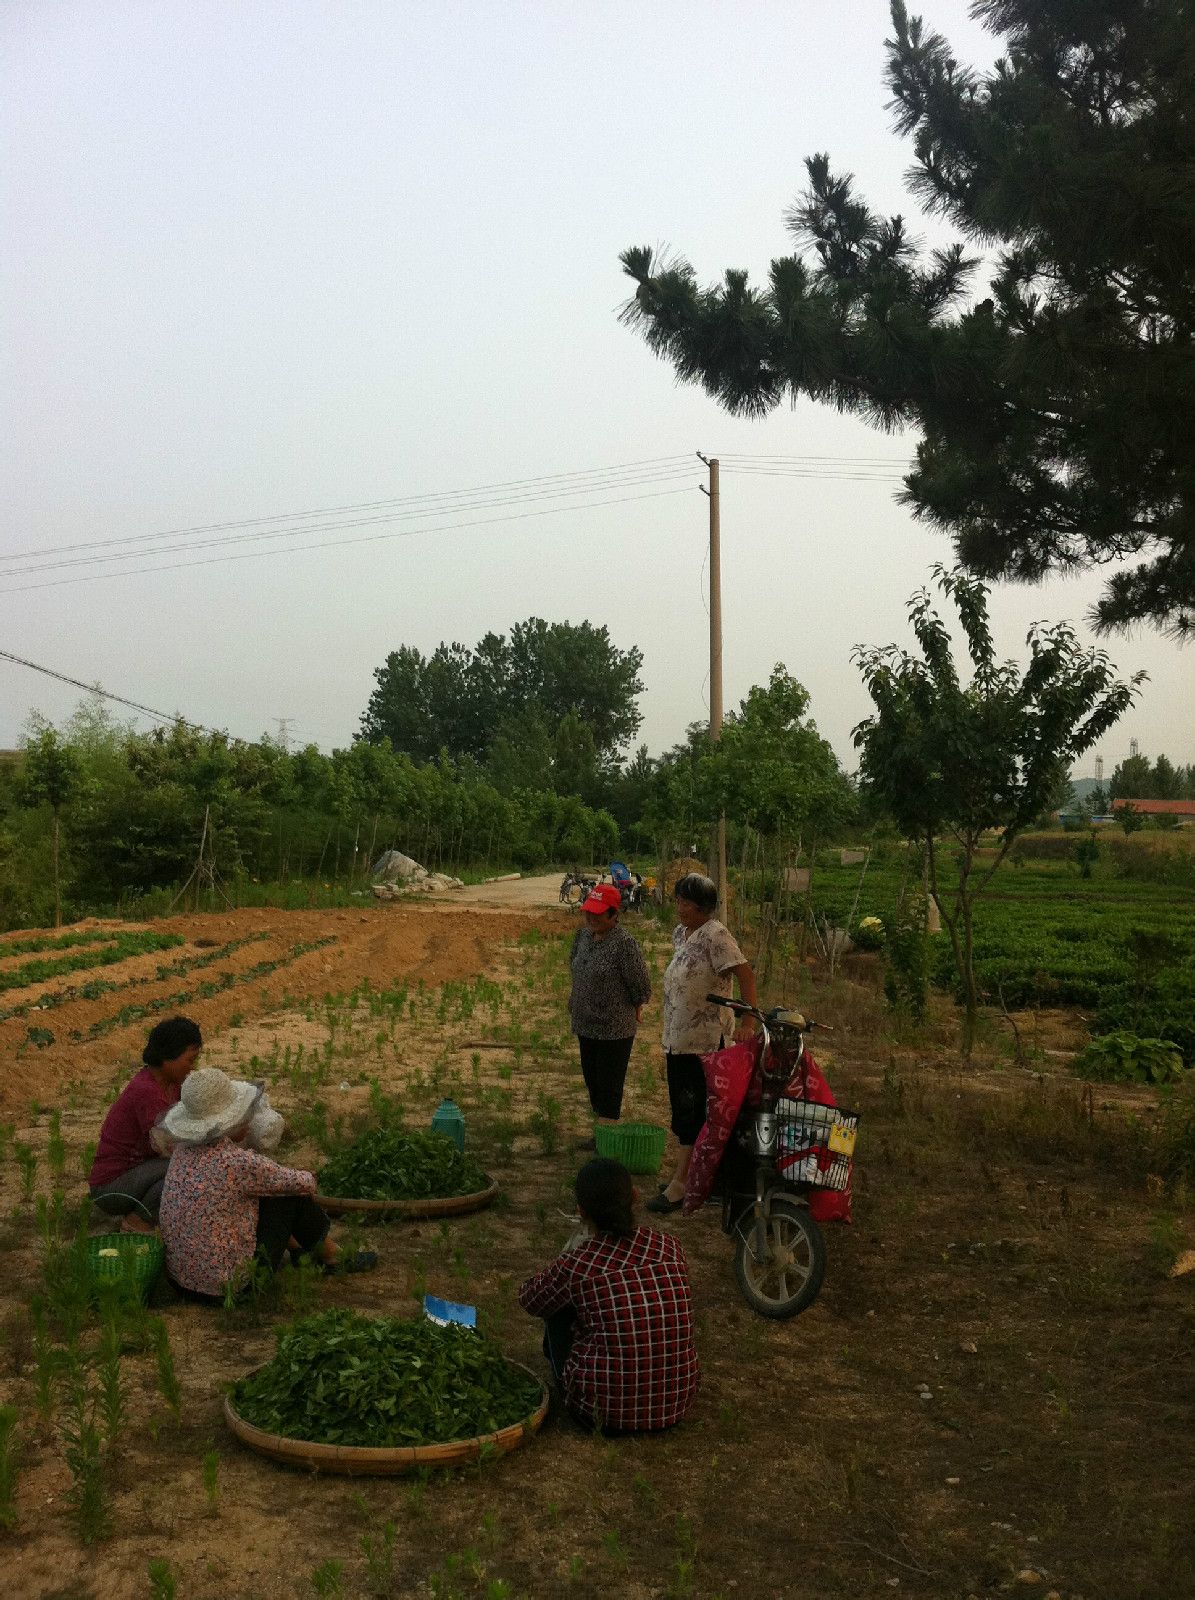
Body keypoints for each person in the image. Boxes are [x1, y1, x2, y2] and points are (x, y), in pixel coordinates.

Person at [158, 1066, 375, 1300]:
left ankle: (302, 1251)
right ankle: (331, 1255)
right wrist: (307, 1176)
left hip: (182, 1282)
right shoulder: (236, 1162)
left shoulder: (182, 1151)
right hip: (230, 1289)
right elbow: (303, 1183)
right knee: (290, 1195)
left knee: (266, 1191)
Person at [518, 1157, 699, 1433]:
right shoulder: (670, 1248)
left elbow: (531, 1299)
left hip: (601, 1414)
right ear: (635, 1197)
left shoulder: (579, 1263)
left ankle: (579, 1378)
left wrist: (564, 1262)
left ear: (581, 1211)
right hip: (675, 1405)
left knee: (556, 1307)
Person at [647, 872, 758, 1215]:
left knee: (692, 1111)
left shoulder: (716, 935)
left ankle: (682, 1183)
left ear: (704, 908)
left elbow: (745, 974)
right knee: (684, 1109)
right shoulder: (682, 932)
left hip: (705, 1042)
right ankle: (694, 1175)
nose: (679, 907)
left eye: (685, 903)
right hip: (678, 1038)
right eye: (678, 900)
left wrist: (749, 1018)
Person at [88, 1015, 202, 1228]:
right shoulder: (147, 1092)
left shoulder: (173, 1084)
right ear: (168, 1056)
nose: (192, 1068)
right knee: (186, 1166)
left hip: (142, 1171)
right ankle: (138, 1221)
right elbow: (169, 1145)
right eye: (190, 1060)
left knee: (189, 1164)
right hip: (111, 1186)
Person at [568, 882, 652, 1147]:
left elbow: (641, 984)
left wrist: (638, 1003)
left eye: (599, 913)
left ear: (614, 915)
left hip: (613, 1027)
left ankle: (607, 1138)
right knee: (592, 1080)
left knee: (609, 1083)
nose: (591, 918)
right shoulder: (582, 938)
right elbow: (574, 966)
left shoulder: (625, 944)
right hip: (584, 1023)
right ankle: (602, 1132)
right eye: (588, 912)